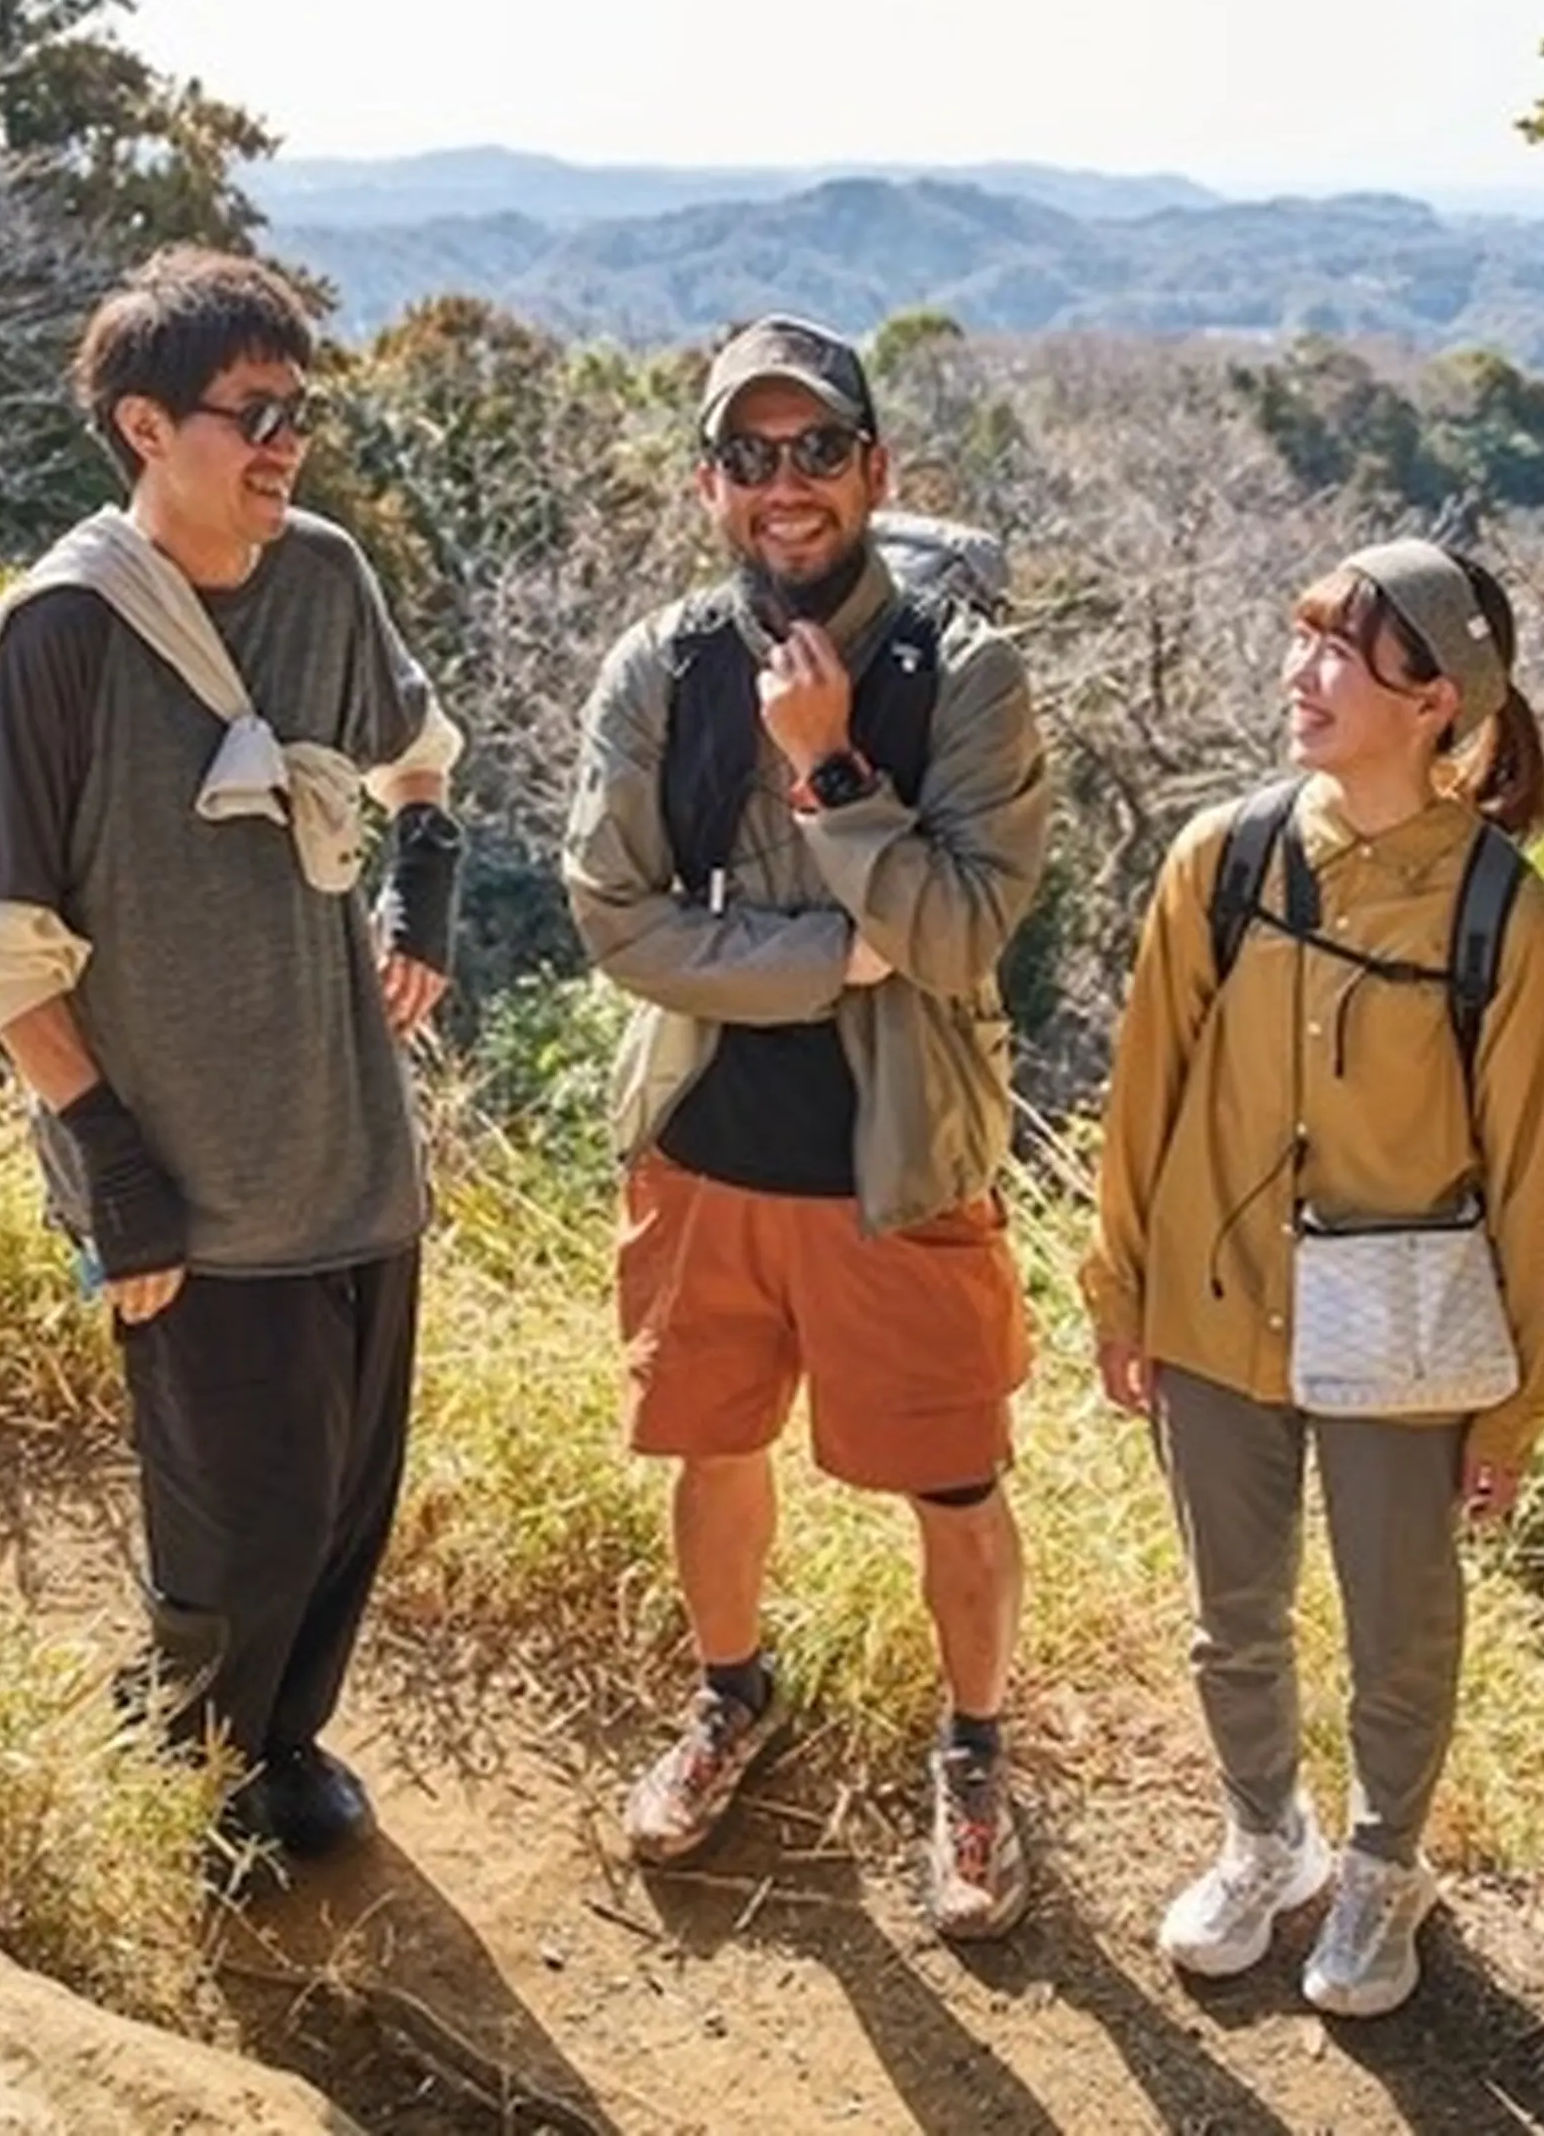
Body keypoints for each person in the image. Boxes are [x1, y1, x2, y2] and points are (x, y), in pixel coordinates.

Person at [0, 246, 465, 1869]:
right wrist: (115, 1171)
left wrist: (420, 905)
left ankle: (277, 1745)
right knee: (241, 1512)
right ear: (146, 426)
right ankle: (182, 1770)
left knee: (352, 1487)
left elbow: (421, 760)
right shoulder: (58, 641)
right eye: (252, 412)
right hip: (191, 1171)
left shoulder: (325, 581)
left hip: (350, 1143)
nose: (285, 442)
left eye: (298, 408)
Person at [561, 313, 1056, 1941]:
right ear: (711, 482)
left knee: (957, 1481)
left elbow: (968, 935)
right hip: (706, 1151)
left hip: (899, 1163)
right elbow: (616, 919)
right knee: (710, 1449)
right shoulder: (664, 664)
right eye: (752, 455)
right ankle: (728, 1695)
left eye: (818, 450)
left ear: (874, 468)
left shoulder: (960, 675)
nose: (788, 486)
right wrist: (835, 955)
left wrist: (831, 764)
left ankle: (975, 1757)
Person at [1080, 539, 1544, 2016]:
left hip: (1406, 1337)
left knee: (1397, 1619)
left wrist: (1513, 1408)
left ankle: (1381, 1867)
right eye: (1300, 641)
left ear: (1435, 700)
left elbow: (1535, 1184)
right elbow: (1142, 1096)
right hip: (1217, 1302)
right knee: (1231, 1610)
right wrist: (1123, 1293)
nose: (1300, 676)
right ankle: (1263, 1841)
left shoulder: (1507, 918)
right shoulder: (1222, 860)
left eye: (1341, 654)